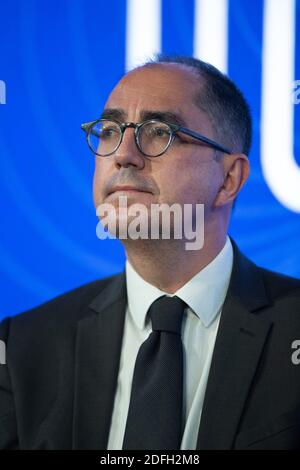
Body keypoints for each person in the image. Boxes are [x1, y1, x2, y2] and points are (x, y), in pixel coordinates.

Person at [1, 55, 300, 450]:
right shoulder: (23, 345)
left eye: (159, 132)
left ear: (229, 178)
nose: (123, 154)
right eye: (109, 130)